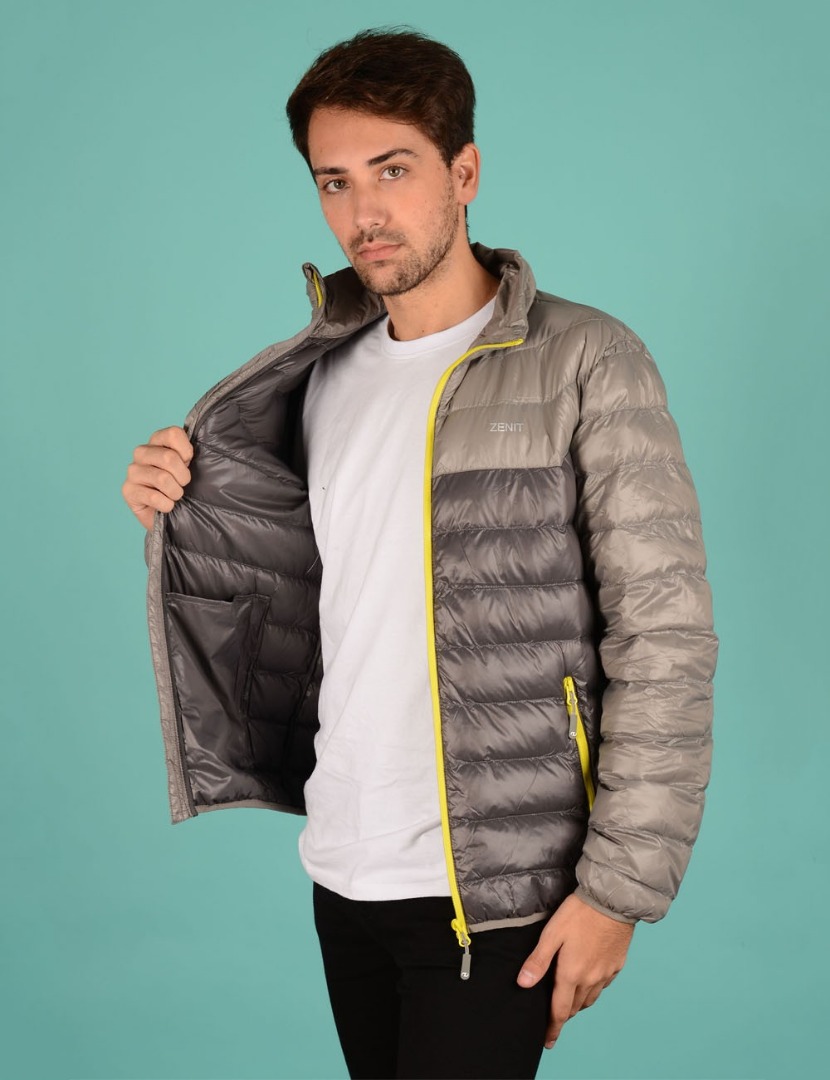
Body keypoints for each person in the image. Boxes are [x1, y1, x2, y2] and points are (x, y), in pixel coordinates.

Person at [121, 27, 718, 1080]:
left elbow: (664, 636)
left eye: (392, 170)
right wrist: (178, 504)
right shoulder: (315, 377)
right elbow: (305, 592)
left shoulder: (586, 359)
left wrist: (619, 892)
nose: (364, 212)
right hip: (343, 869)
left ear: (464, 172)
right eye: (335, 182)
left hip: (496, 888)